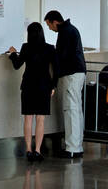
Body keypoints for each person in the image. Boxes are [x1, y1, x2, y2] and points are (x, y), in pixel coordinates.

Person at [8, 22, 56, 162]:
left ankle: (28, 149)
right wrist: (53, 86)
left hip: (28, 86)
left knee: (28, 118)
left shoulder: (26, 47)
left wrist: (12, 54)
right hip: (44, 87)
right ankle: (38, 150)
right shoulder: (49, 49)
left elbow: (17, 65)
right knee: (40, 119)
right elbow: (56, 69)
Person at [45, 10, 86, 159]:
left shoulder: (65, 32)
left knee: (71, 110)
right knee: (76, 109)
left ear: (54, 21)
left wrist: (54, 80)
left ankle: (73, 148)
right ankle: (77, 145)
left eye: (49, 25)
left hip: (71, 74)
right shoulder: (71, 29)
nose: (50, 29)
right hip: (77, 72)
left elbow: (62, 57)